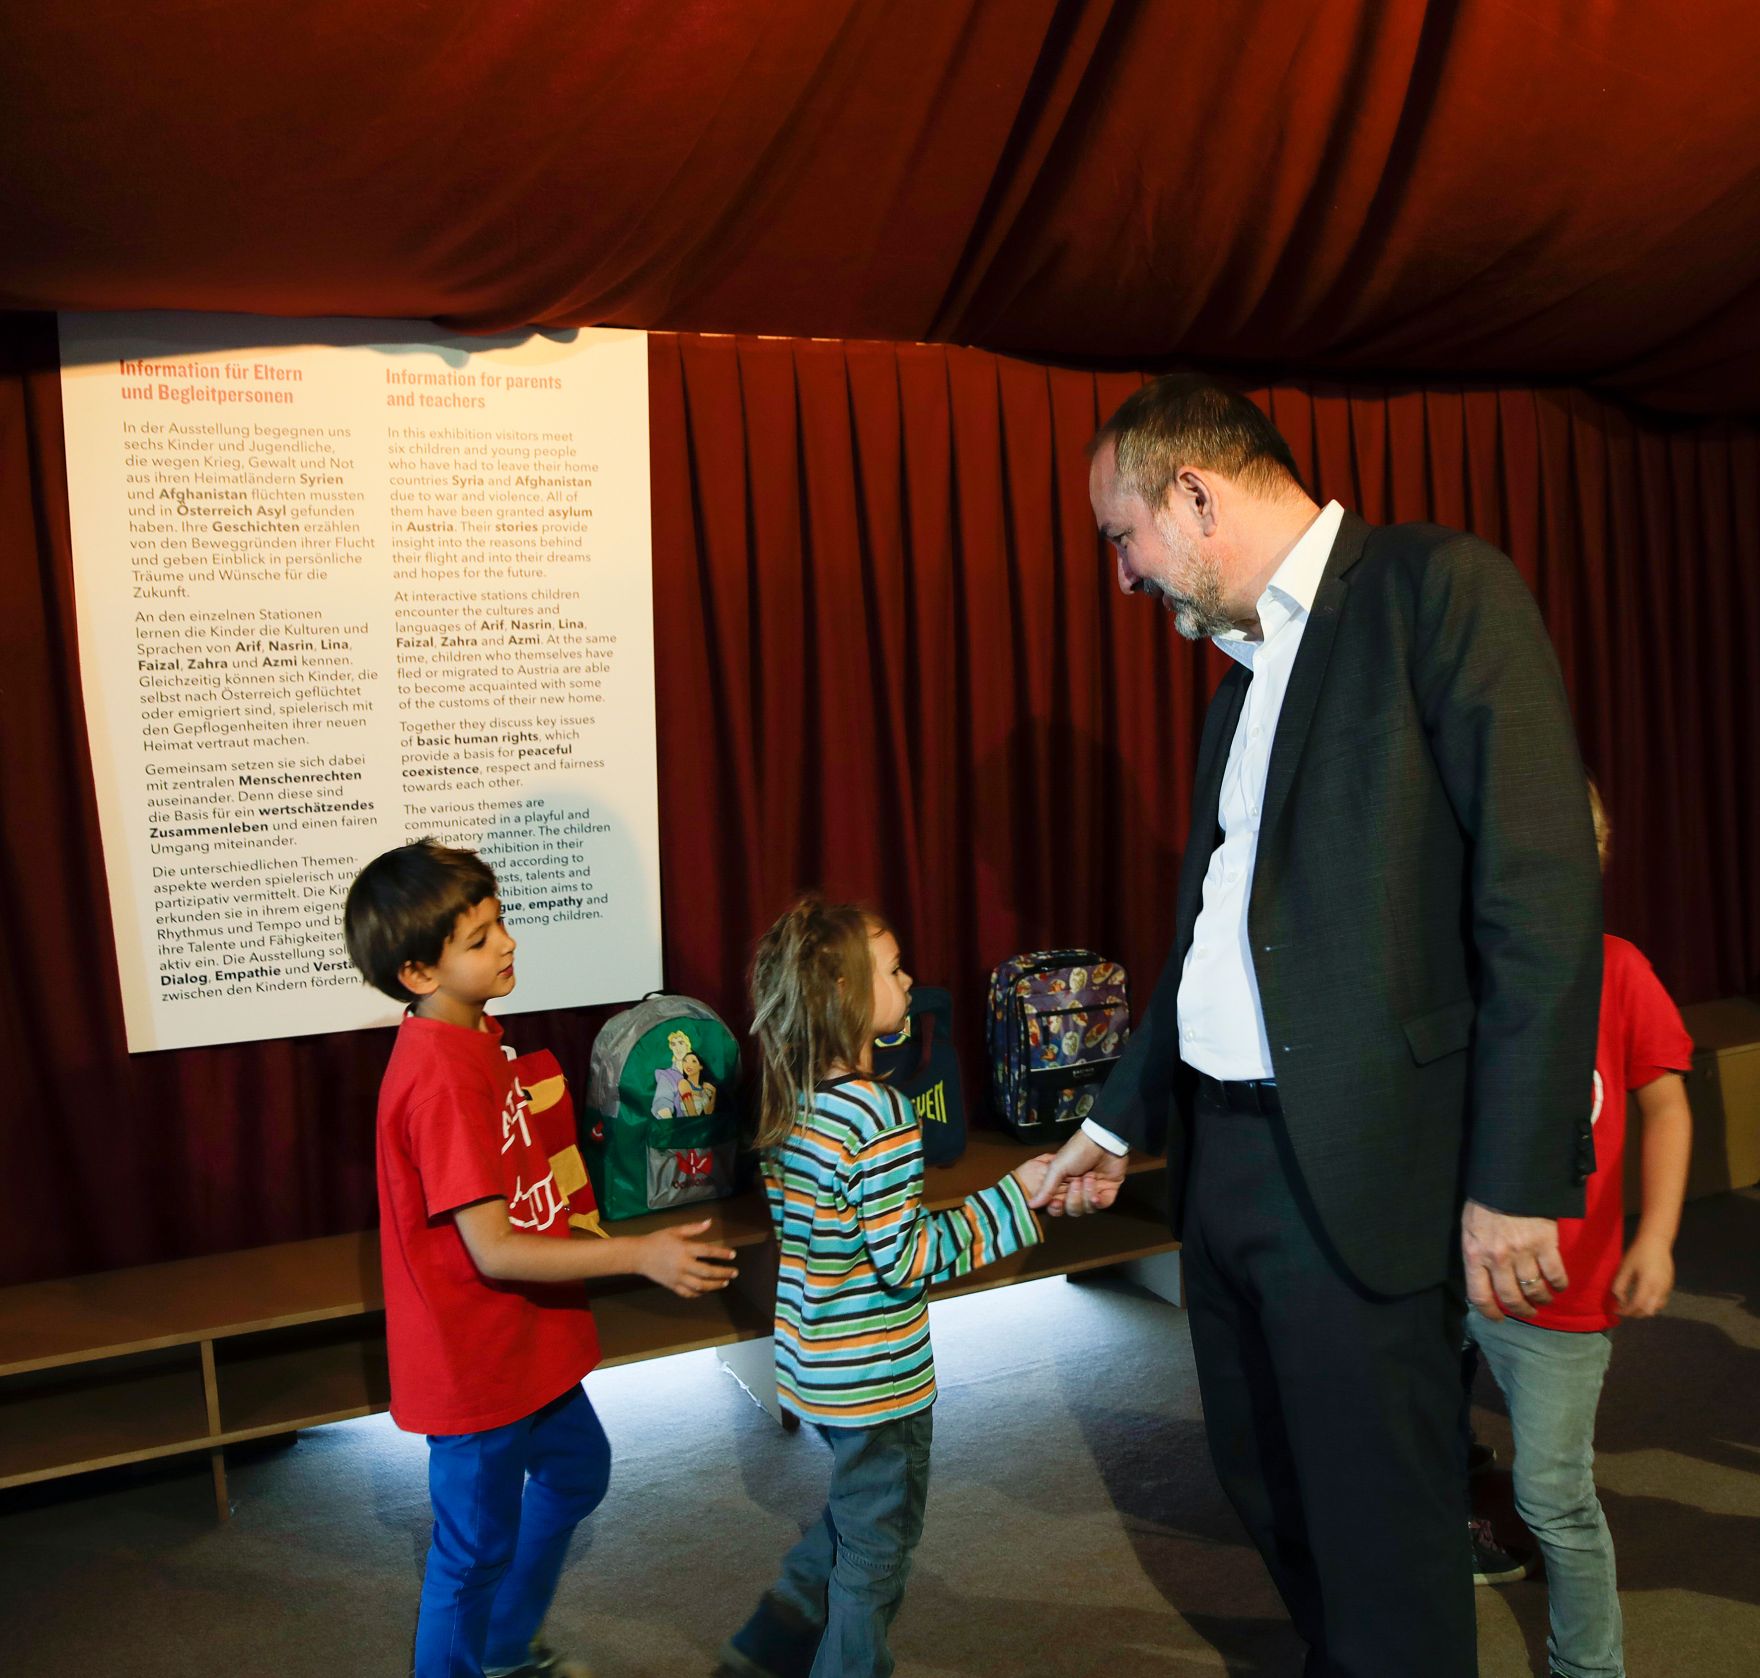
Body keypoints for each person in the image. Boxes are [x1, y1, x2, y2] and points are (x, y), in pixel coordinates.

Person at [1032, 374, 1604, 1676]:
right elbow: (1211, 932)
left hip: (1362, 1165)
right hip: (1225, 1166)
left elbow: (1542, 893)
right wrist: (1120, 1117)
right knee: (1264, 1484)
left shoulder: (1438, 590)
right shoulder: (1239, 675)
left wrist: (1515, 1176)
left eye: (1122, 535)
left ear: (1194, 494)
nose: (1124, 576)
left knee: (1383, 1529)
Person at [345, 839, 738, 1678]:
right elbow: (489, 1248)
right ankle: (479, 1653)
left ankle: (499, 1649)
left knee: (575, 1473)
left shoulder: (473, 1033)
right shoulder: (441, 1078)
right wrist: (637, 1257)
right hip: (476, 1359)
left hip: (524, 1340)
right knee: (471, 1552)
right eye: (480, 938)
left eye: (501, 923)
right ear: (420, 973)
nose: (508, 943)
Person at [717, 896, 1054, 1678]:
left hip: (817, 1369)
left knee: (853, 1514)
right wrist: (1014, 1197)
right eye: (894, 969)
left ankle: (767, 1645)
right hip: (880, 1383)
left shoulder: (792, 1102)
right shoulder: (882, 1116)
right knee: (880, 1547)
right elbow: (905, 1258)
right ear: (846, 999)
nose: (909, 979)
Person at [1465, 776, 1693, 1678]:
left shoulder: (1620, 970)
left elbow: (1667, 1106)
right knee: (1412, 1430)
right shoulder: (1454, 971)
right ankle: (1474, 1522)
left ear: (1590, 863)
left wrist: (1658, 1235)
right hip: (1446, 1276)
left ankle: (1588, 1667)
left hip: (1564, 1299)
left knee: (1556, 1495)